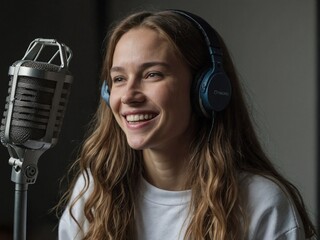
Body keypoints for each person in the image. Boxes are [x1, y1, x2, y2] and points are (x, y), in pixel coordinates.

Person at [57, 9, 317, 240]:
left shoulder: (262, 204)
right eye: (119, 78)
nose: (128, 96)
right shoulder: (94, 191)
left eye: (152, 74)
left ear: (206, 89)